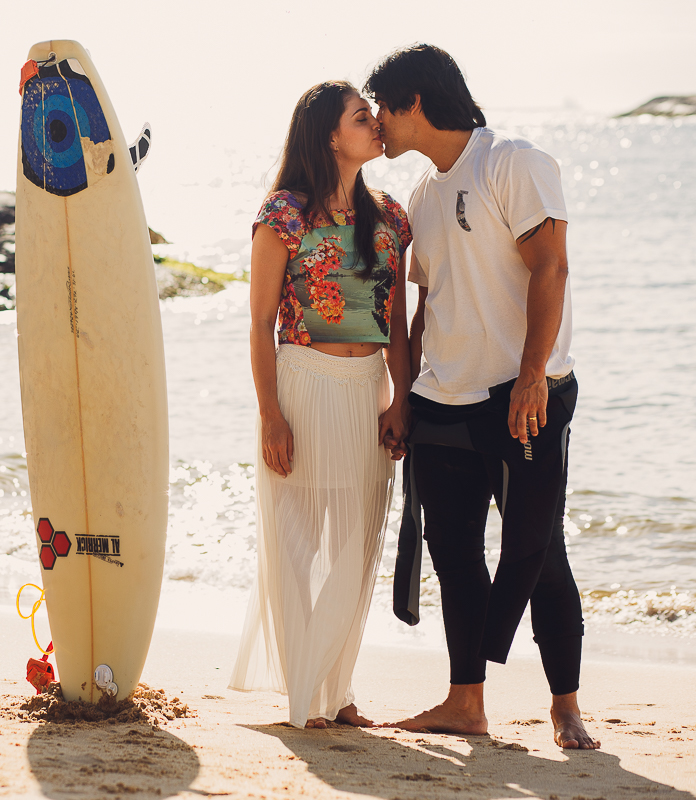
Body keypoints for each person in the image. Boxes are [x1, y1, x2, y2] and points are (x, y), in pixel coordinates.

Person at [364, 43, 600, 750]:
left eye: (383, 107)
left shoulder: (511, 161)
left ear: (413, 103)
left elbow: (550, 267)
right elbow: (427, 303)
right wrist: (403, 396)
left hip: (523, 395)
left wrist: (533, 373)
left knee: (541, 551)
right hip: (443, 398)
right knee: (454, 552)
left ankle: (566, 706)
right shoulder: (422, 195)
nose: (378, 123)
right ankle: (466, 702)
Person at [229, 81, 413, 729]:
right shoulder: (283, 213)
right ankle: (307, 695)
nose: (377, 125)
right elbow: (258, 325)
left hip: (368, 393)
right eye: (363, 118)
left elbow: (394, 320)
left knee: (357, 546)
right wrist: (271, 415)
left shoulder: (391, 216)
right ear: (332, 135)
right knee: (295, 542)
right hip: (301, 385)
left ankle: (339, 691)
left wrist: (401, 398)